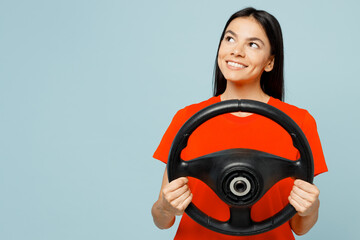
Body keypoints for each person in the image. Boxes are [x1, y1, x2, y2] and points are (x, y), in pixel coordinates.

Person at [151, 7, 328, 240]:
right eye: (230, 39)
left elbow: (299, 226)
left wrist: (311, 208)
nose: (236, 51)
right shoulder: (187, 119)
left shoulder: (298, 122)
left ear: (270, 62)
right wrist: (165, 207)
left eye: (253, 45)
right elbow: (162, 220)